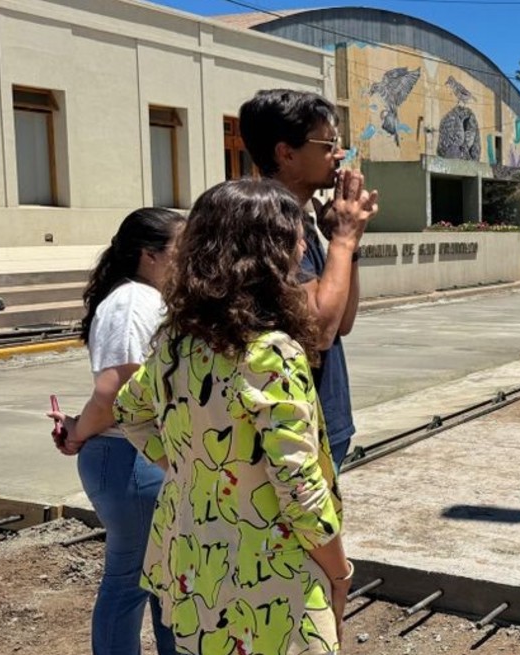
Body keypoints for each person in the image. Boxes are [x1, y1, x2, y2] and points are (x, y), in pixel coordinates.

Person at [114, 179, 352, 655]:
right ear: (269, 251)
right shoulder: (272, 354)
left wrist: (199, 470)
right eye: (296, 233)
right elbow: (299, 490)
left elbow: (129, 411)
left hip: (194, 573)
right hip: (272, 586)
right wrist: (340, 572)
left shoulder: (178, 345)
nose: (304, 244)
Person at [46, 207, 182, 655]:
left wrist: (77, 429)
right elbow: (116, 391)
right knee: (131, 582)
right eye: (181, 249)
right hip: (127, 457)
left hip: (136, 456)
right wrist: (79, 432)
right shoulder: (131, 303)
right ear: (150, 255)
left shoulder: (145, 299)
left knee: (164, 578)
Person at [239, 89, 378, 469]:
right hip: (290, 428)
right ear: (286, 153)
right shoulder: (269, 225)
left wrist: (345, 242)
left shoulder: (302, 218)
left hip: (321, 418)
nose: (340, 154)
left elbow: (342, 322)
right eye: (328, 144)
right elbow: (319, 332)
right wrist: (345, 238)